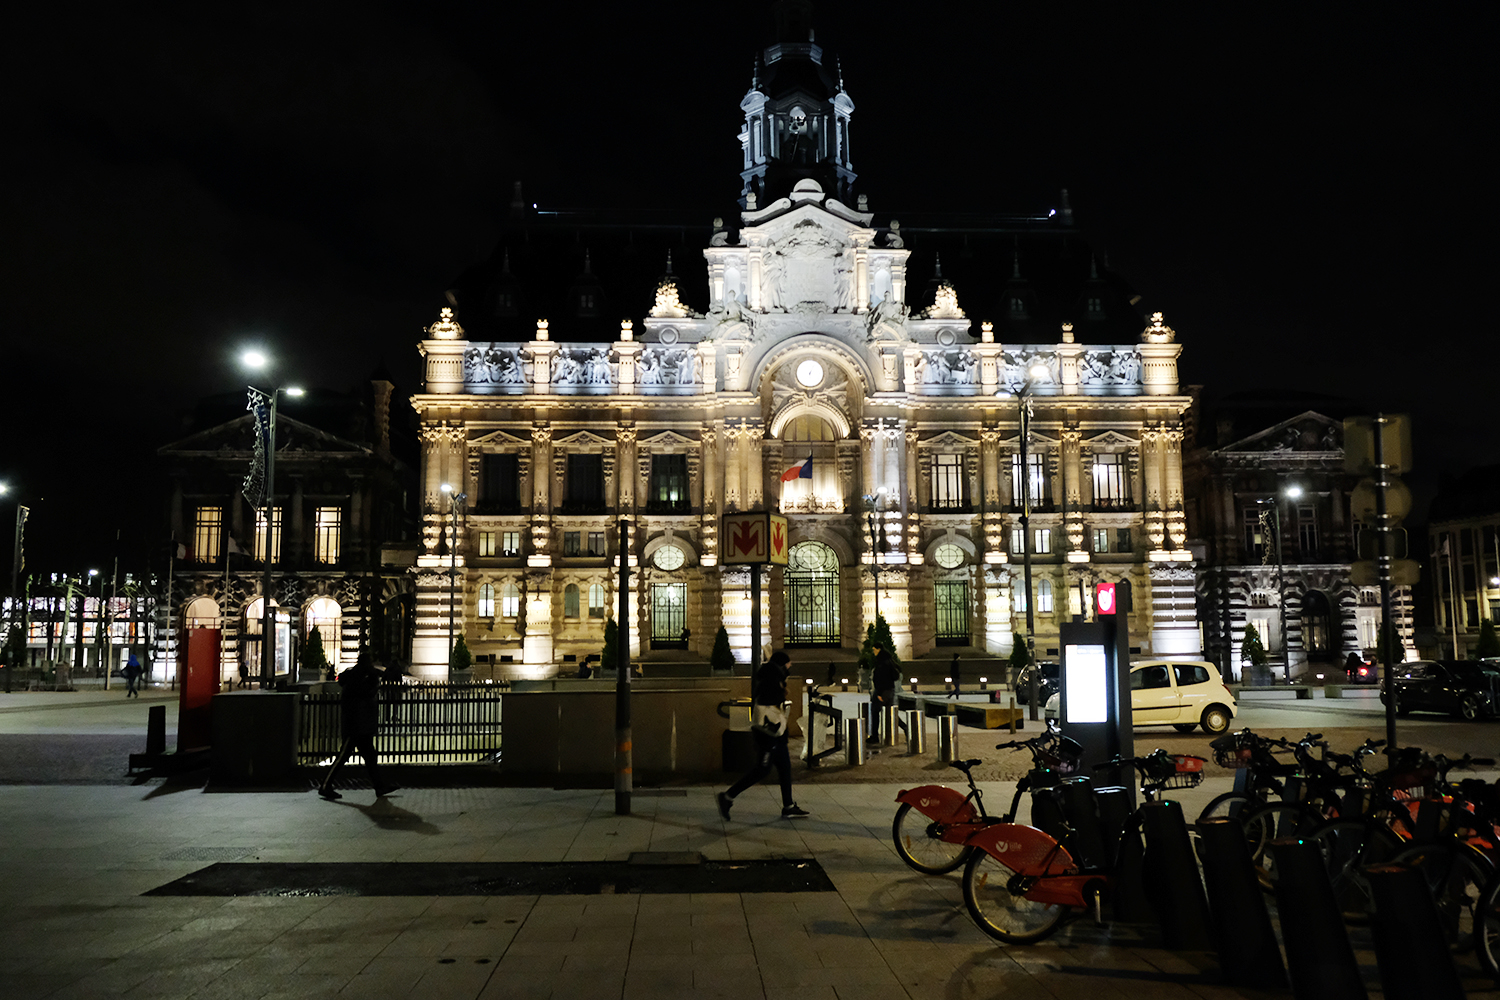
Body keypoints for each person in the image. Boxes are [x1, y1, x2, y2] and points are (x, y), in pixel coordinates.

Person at [717, 650, 808, 820]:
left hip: (776, 735)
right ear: (782, 664)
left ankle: (788, 806)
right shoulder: (771, 679)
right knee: (762, 770)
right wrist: (782, 693)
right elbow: (767, 701)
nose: (790, 667)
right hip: (768, 735)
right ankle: (728, 796)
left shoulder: (773, 677)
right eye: (788, 664)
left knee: (785, 768)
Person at [319, 651, 399, 801]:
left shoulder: (355, 676)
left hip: (359, 725)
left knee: (370, 756)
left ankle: (379, 786)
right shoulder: (360, 679)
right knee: (344, 756)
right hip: (356, 726)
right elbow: (366, 695)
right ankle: (325, 786)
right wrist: (374, 681)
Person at [871, 646, 900, 743]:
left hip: (882, 691)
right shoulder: (890, 663)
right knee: (890, 713)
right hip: (889, 691)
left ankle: (874, 736)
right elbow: (895, 676)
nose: (873, 651)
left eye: (874, 649)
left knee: (875, 712)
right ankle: (906, 728)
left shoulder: (881, 664)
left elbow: (879, 679)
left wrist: (879, 693)